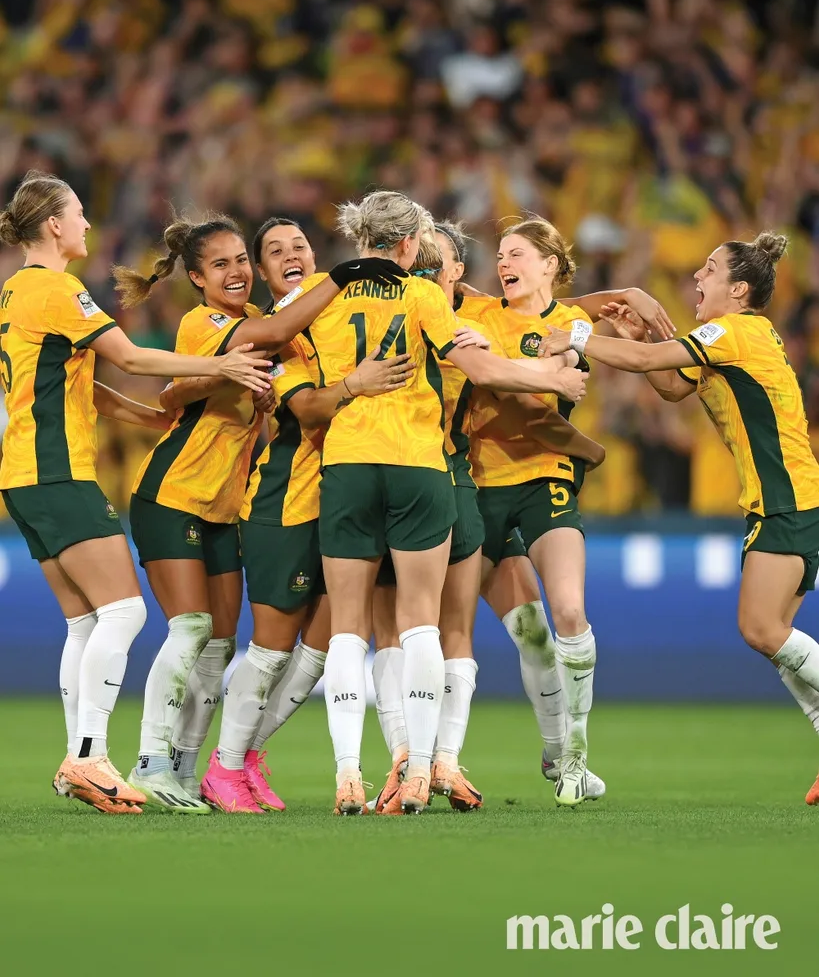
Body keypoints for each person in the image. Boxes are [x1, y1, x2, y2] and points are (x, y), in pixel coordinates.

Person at [288, 190, 587, 815]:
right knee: (423, 623)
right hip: (421, 465)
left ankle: (348, 775)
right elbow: (481, 368)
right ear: (407, 245)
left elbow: (274, 332)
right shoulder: (423, 295)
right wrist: (553, 378)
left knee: (349, 628)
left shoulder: (323, 292)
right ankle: (421, 771)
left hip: (345, 463)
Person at [111, 213, 407, 812]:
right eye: (224, 264)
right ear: (196, 278)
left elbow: (202, 400)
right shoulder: (213, 322)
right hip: (175, 494)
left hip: (228, 504)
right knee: (195, 631)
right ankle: (152, 761)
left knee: (221, 648)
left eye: (239, 260)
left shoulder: (260, 327)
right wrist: (344, 275)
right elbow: (256, 352)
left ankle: (197, 771)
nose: (236, 271)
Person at [0, 172, 271, 814]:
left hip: (22, 475)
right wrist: (221, 365)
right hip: (57, 472)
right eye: (79, 213)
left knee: (84, 622)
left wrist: (143, 418)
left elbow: (78, 384)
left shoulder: (13, 293)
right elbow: (131, 358)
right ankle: (91, 755)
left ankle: (79, 758)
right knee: (125, 613)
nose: (89, 224)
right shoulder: (58, 290)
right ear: (54, 227)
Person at [541, 231, 819, 807]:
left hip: (788, 499)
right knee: (774, 638)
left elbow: (647, 363)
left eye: (710, 269)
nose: (697, 276)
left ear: (737, 289)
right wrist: (627, 332)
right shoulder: (727, 339)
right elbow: (667, 385)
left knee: (761, 629)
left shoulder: (734, 330)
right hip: (789, 497)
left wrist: (579, 335)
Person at [438, 220, 670, 804]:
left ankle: (570, 758)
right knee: (516, 634)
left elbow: (593, 328)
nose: (505, 262)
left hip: (546, 478)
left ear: (549, 264)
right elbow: (433, 284)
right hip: (479, 484)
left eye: (518, 254)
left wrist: (630, 300)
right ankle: (438, 761)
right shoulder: (481, 312)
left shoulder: (574, 325)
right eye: (500, 255)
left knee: (567, 613)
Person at [197, 217, 414, 813]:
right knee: (271, 648)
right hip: (283, 502)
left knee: (323, 649)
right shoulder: (273, 339)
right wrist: (358, 383)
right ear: (264, 274)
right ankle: (222, 768)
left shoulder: (344, 318)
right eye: (274, 251)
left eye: (298, 245)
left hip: (344, 502)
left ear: (315, 256)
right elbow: (310, 409)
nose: (290, 255)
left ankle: (243, 757)